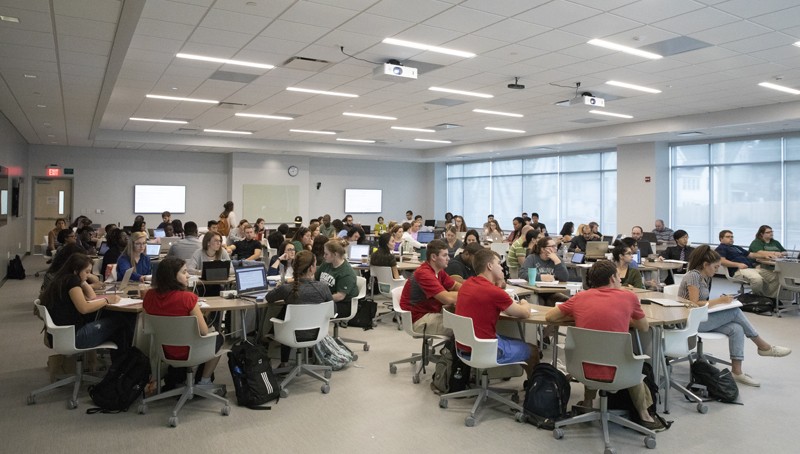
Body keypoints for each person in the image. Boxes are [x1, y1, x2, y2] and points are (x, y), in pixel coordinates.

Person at [545, 260, 666, 432]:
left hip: (582, 368)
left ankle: (587, 402)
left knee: (592, 350)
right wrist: (625, 317)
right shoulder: (628, 297)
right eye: (618, 276)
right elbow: (644, 327)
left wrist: (575, 315)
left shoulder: (580, 297)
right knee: (631, 361)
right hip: (620, 371)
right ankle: (645, 415)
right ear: (612, 278)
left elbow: (550, 317)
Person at [679, 245, 791, 387]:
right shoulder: (694, 275)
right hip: (689, 321)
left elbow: (703, 302)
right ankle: (763, 346)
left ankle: (737, 372)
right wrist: (719, 301)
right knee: (735, 312)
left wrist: (720, 301)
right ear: (705, 265)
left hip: (701, 317)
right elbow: (694, 303)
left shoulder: (704, 276)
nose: (717, 270)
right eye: (715, 267)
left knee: (736, 328)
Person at [456, 249, 539, 378]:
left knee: (515, 341)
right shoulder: (493, 292)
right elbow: (524, 313)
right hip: (485, 350)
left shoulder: (467, 284)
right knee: (533, 350)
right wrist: (524, 302)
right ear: (489, 266)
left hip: (464, 348)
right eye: (499, 263)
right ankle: (532, 389)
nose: (501, 267)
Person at [39, 253, 133, 364]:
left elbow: (92, 296)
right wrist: (107, 300)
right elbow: (84, 308)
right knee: (122, 321)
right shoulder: (71, 281)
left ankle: (118, 366)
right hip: (75, 337)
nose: (88, 276)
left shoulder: (62, 279)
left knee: (112, 321)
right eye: (86, 272)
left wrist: (82, 280)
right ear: (75, 270)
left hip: (60, 336)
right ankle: (121, 367)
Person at [143, 256, 221, 385]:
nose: (188, 275)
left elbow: (148, 325)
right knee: (219, 337)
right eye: (184, 272)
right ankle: (204, 381)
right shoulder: (188, 298)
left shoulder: (149, 296)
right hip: (190, 351)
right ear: (172, 276)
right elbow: (204, 331)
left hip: (164, 350)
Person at [266, 251, 333, 367]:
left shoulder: (286, 289)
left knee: (285, 313)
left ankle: (283, 362)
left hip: (289, 334)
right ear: (312, 268)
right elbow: (333, 310)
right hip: (317, 333)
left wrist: (279, 287)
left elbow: (269, 298)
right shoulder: (323, 288)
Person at [399, 239, 461, 336]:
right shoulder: (424, 274)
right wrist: (470, 293)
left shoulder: (438, 271)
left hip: (430, 311)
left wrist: (469, 290)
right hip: (418, 319)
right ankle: (452, 350)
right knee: (462, 327)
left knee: (465, 319)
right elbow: (447, 298)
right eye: (444, 255)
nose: (448, 258)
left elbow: (455, 285)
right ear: (433, 257)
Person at [715, 230, 779, 298]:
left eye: (732, 237)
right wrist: (738, 264)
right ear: (721, 239)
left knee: (776, 276)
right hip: (738, 271)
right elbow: (722, 261)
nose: (731, 238)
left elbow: (751, 254)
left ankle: (770, 298)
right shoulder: (721, 248)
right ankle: (758, 298)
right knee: (757, 279)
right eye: (728, 237)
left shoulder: (736, 247)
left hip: (751, 269)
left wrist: (764, 256)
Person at [316, 240, 358, 319]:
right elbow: (315, 278)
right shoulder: (326, 264)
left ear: (335, 254)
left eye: (326, 254)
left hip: (343, 304)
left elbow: (340, 296)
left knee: (314, 309)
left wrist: (320, 299)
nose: (324, 256)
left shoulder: (346, 273)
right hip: (327, 298)